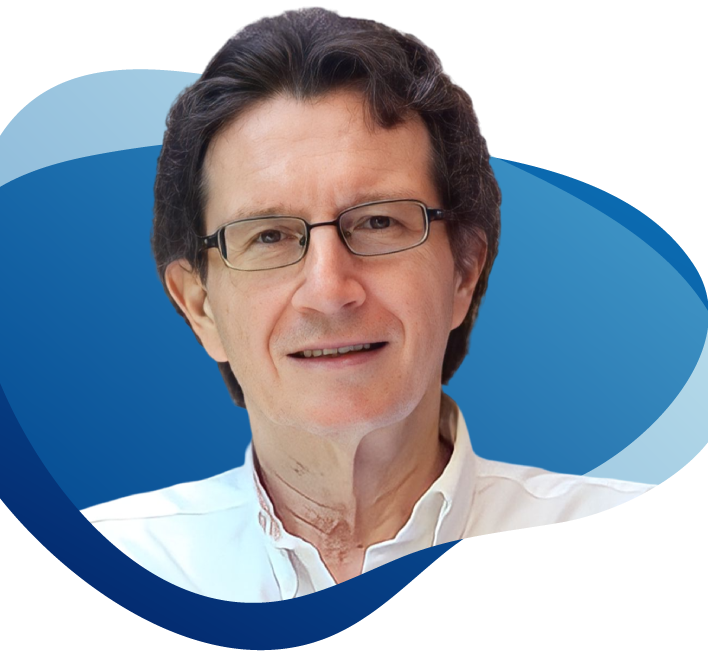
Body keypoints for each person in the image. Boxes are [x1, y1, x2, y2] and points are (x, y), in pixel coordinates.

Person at [82, 7, 654, 602]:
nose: (329, 291)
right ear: (201, 308)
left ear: (462, 272)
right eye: (269, 236)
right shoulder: (105, 564)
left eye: (379, 222)